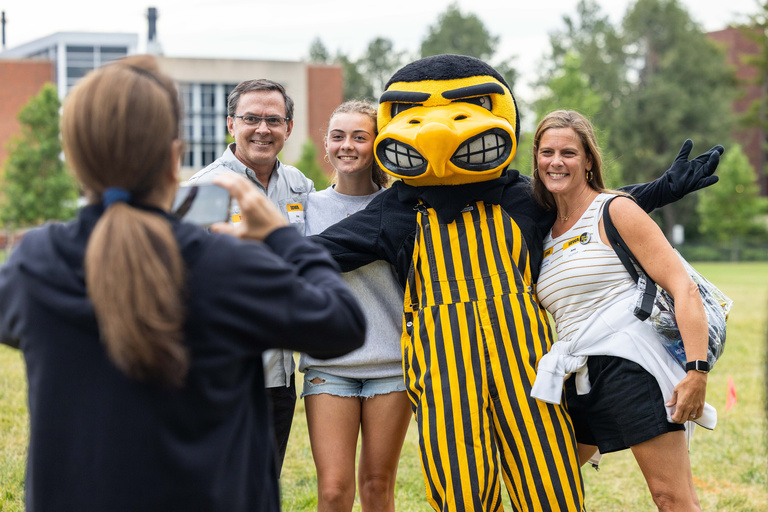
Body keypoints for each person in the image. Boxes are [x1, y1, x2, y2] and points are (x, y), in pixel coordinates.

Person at [310, 55, 723, 512]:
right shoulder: (395, 211)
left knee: (546, 479)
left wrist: (663, 188)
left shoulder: (522, 198)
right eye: (549, 153)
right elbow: (316, 252)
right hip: (447, 372)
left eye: (568, 153)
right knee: (462, 486)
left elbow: (590, 208)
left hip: (526, 369)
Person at [0, 55, 365, 512]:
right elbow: (341, 323)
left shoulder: (35, 266)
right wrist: (277, 237)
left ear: (72, 157)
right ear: (175, 153)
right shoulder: (223, 263)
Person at [529, 110, 716, 511]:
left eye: (568, 153)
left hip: (632, 365)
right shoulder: (543, 230)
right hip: (578, 373)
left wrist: (696, 371)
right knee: (544, 482)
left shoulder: (615, 209)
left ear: (589, 160)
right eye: (547, 152)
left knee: (671, 497)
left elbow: (682, 286)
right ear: (536, 159)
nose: (556, 162)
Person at [186, 79, 314, 475]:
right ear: (231, 124)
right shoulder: (202, 189)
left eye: (273, 120)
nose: (263, 129)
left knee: (263, 483)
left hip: (279, 372)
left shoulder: (300, 186)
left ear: (288, 128)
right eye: (251, 118)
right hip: (222, 370)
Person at [300, 101, 411, 512]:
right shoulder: (306, 207)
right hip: (328, 366)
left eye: (360, 137)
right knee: (332, 491)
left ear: (378, 145)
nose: (347, 146)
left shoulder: (404, 208)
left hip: (391, 366)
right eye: (338, 136)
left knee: (378, 486)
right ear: (326, 145)